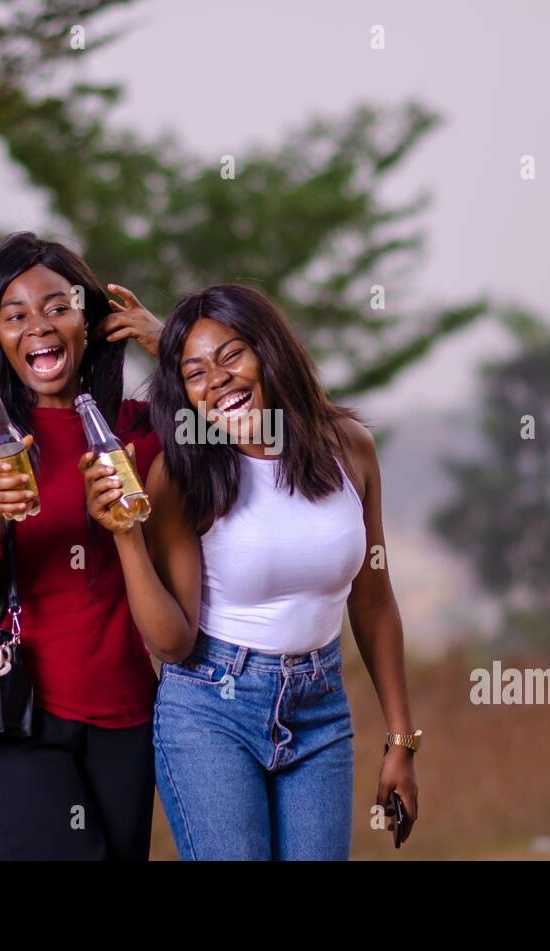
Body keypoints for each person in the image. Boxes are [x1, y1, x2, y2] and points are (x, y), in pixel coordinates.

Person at [83, 283, 421, 860]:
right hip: (210, 709)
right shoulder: (182, 474)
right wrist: (126, 537)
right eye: (194, 374)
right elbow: (171, 642)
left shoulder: (349, 449)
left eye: (233, 356)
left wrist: (401, 741)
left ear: (270, 352)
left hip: (320, 708)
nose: (215, 381)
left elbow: (373, 601)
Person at [0, 232, 167, 859]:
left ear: (91, 321)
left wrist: (165, 341)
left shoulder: (139, 430)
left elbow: (252, 428)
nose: (40, 327)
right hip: (18, 710)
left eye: (58, 307)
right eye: (16, 315)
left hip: (127, 711)